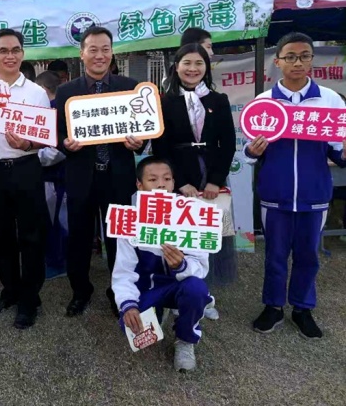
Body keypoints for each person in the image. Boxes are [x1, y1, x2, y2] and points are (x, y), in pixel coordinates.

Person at [245, 32, 346, 340]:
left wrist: (344, 153)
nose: (297, 62)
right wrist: (253, 150)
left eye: (304, 56)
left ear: (311, 60)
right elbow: (248, 151)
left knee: (308, 256)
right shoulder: (264, 102)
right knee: (275, 255)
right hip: (275, 194)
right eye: (290, 56)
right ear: (278, 62)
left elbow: (337, 151)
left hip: (315, 195)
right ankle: (273, 306)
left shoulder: (329, 99)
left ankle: (302, 308)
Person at [55, 26, 144, 318]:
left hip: (118, 178)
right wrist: (66, 144)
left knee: (119, 240)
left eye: (105, 49)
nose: (99, 55)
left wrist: (139, 143)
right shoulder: (66, 91)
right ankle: (80, 292)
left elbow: (143, 129)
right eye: (93, 49)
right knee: (79, 239)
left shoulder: (129, 87)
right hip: (81, 176)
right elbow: (58, 134)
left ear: (112, 53)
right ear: (82, 54)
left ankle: (120, 294)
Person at [0, 29, 50, 329]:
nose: (10, 55)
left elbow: (46, 137)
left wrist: (27, 144)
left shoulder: (36, 93)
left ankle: (30, 299)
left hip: (26, 167)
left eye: (15, 50)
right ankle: (11, 290)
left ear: (22, 54)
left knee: (31, 237)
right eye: (3, 50)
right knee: (2, 237)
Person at [152, 43, 236, 319]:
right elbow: (160, 148)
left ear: (206, 67)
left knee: (208, 236)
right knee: (180, 236)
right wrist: (179, 182)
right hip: (179, 176)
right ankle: (179, 294)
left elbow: (228, 144)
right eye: (186, 63)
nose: (192, 69)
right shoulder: (164, 102)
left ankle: (205, 295)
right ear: (176, 67)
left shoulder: (218, 100)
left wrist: (215, 181)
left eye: (199, 63)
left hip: (210, 175)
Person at [113, 156, 211, 372]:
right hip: (147, 289)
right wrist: (128, 304)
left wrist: (181, 266)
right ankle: (157, 310)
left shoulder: (192, 217)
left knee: (196, 289)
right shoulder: (129, 220)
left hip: (179, 285)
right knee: (129, 326)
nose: (161, 185)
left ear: (174, 183)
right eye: (152, 179)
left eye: (167, 179)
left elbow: (201, 268)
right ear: (139, 185)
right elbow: (123, 272)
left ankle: (185, 340)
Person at [35, 70, 67, 279]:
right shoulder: (52, 109)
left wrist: (29, 155)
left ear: (43, 90)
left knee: (54, 221)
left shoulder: (53, 111)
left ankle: (57, 263)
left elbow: (57, 151)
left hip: (54, 177)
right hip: (51, 177)